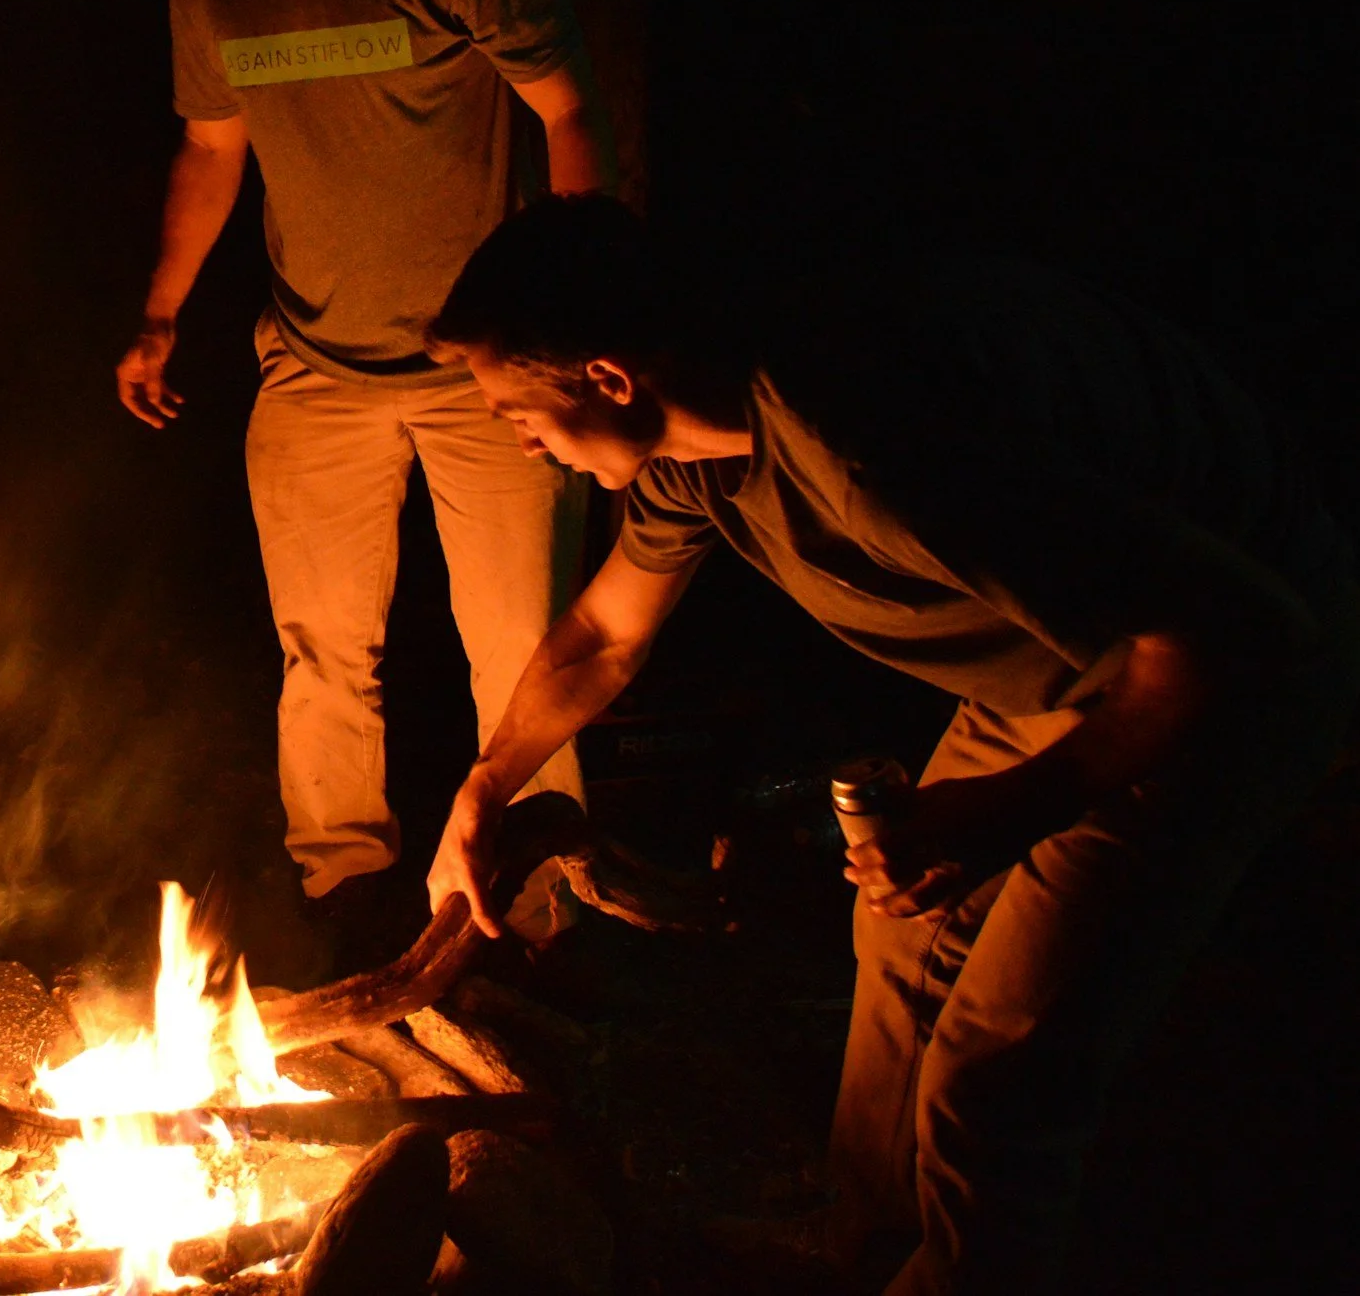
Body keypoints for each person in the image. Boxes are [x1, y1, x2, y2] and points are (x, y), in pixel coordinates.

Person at [420, 194, 1358, 1294]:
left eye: (513, 409)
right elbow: (602, 636)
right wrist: (485, 787)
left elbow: (1231, 635)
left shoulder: (868, 435)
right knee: (902, 951)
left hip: (1220, 679)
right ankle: (864, 1266)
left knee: (997, 1074)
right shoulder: (691, 447)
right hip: (1061, 670)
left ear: (610, 376)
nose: (513, 435)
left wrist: (1007, 812)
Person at [116, 0, 615, 947]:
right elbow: (211, 148)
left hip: (483, 370)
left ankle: (541, 893)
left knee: (519, 642)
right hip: (312, 360)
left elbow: (567, 109)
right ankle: (341, 886)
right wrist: (160, 311)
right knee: (321, 649)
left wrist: (586, 302)